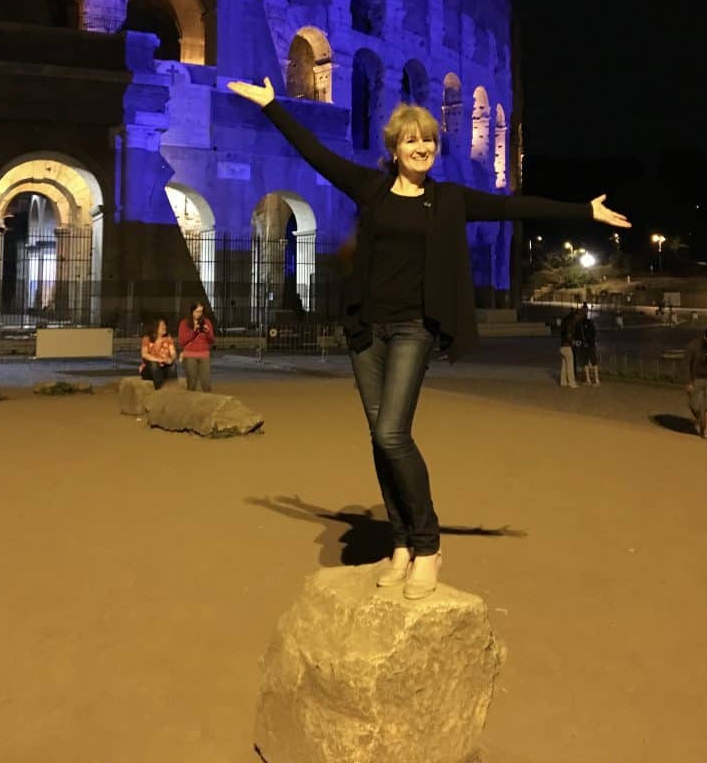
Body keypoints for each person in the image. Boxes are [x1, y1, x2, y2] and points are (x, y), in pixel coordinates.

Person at [228, 75, 631, 599]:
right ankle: (399, 542)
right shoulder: (370, 189)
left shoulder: (448, 200)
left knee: (393, 433)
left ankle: (428, 545)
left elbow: (513, 206)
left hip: (413, 328)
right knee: (380, 439)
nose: (422, 148)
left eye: (429, 141)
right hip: (366, 329)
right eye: (411, 140)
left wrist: (583, 212)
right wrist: (272, 107)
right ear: (394, 149)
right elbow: (315, 154)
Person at [178, 302, 216, 391]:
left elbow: (212, 340)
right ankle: (190, 402)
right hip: (190, 355)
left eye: (201, 311)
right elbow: (182, 342)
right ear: (191, 312)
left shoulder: (206, 322)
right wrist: (194, 332)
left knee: (206, 383)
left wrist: (208, 333)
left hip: (204, 354)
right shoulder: (184, 323)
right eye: (197, 311)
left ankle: (208, 402)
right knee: (192, 383)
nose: (199, 314)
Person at [139, 317, 177, 389]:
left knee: (173, 365)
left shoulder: (168, 338)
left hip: (164, 367)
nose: (165, 327)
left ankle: (172, 390)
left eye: (165, 325)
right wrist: (159, 360)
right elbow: (144, 354)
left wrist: (171, 359)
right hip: (149, 370)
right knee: (154, 364)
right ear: (155, 327)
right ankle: (160, 391)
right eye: (162, 325)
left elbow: (173, 353)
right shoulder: (147, 338)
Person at [574, 303, 599, 385]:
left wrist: (582, 342)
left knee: (587, 362)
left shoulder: (580, 324)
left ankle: (591, 379)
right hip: (590, 344)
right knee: (591, 362)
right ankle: (595, 379)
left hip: (587, 345)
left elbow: (578, 335)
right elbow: (593, 333)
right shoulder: (588, 323)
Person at [559, 306, 579, 388]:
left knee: (564, 366)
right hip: (568, 346)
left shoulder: (564, 321)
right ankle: (572, 382)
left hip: (562, 346)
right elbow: (569, 335)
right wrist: (573, 341)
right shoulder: (570, 323)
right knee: (570, 365)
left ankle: (563, 381)